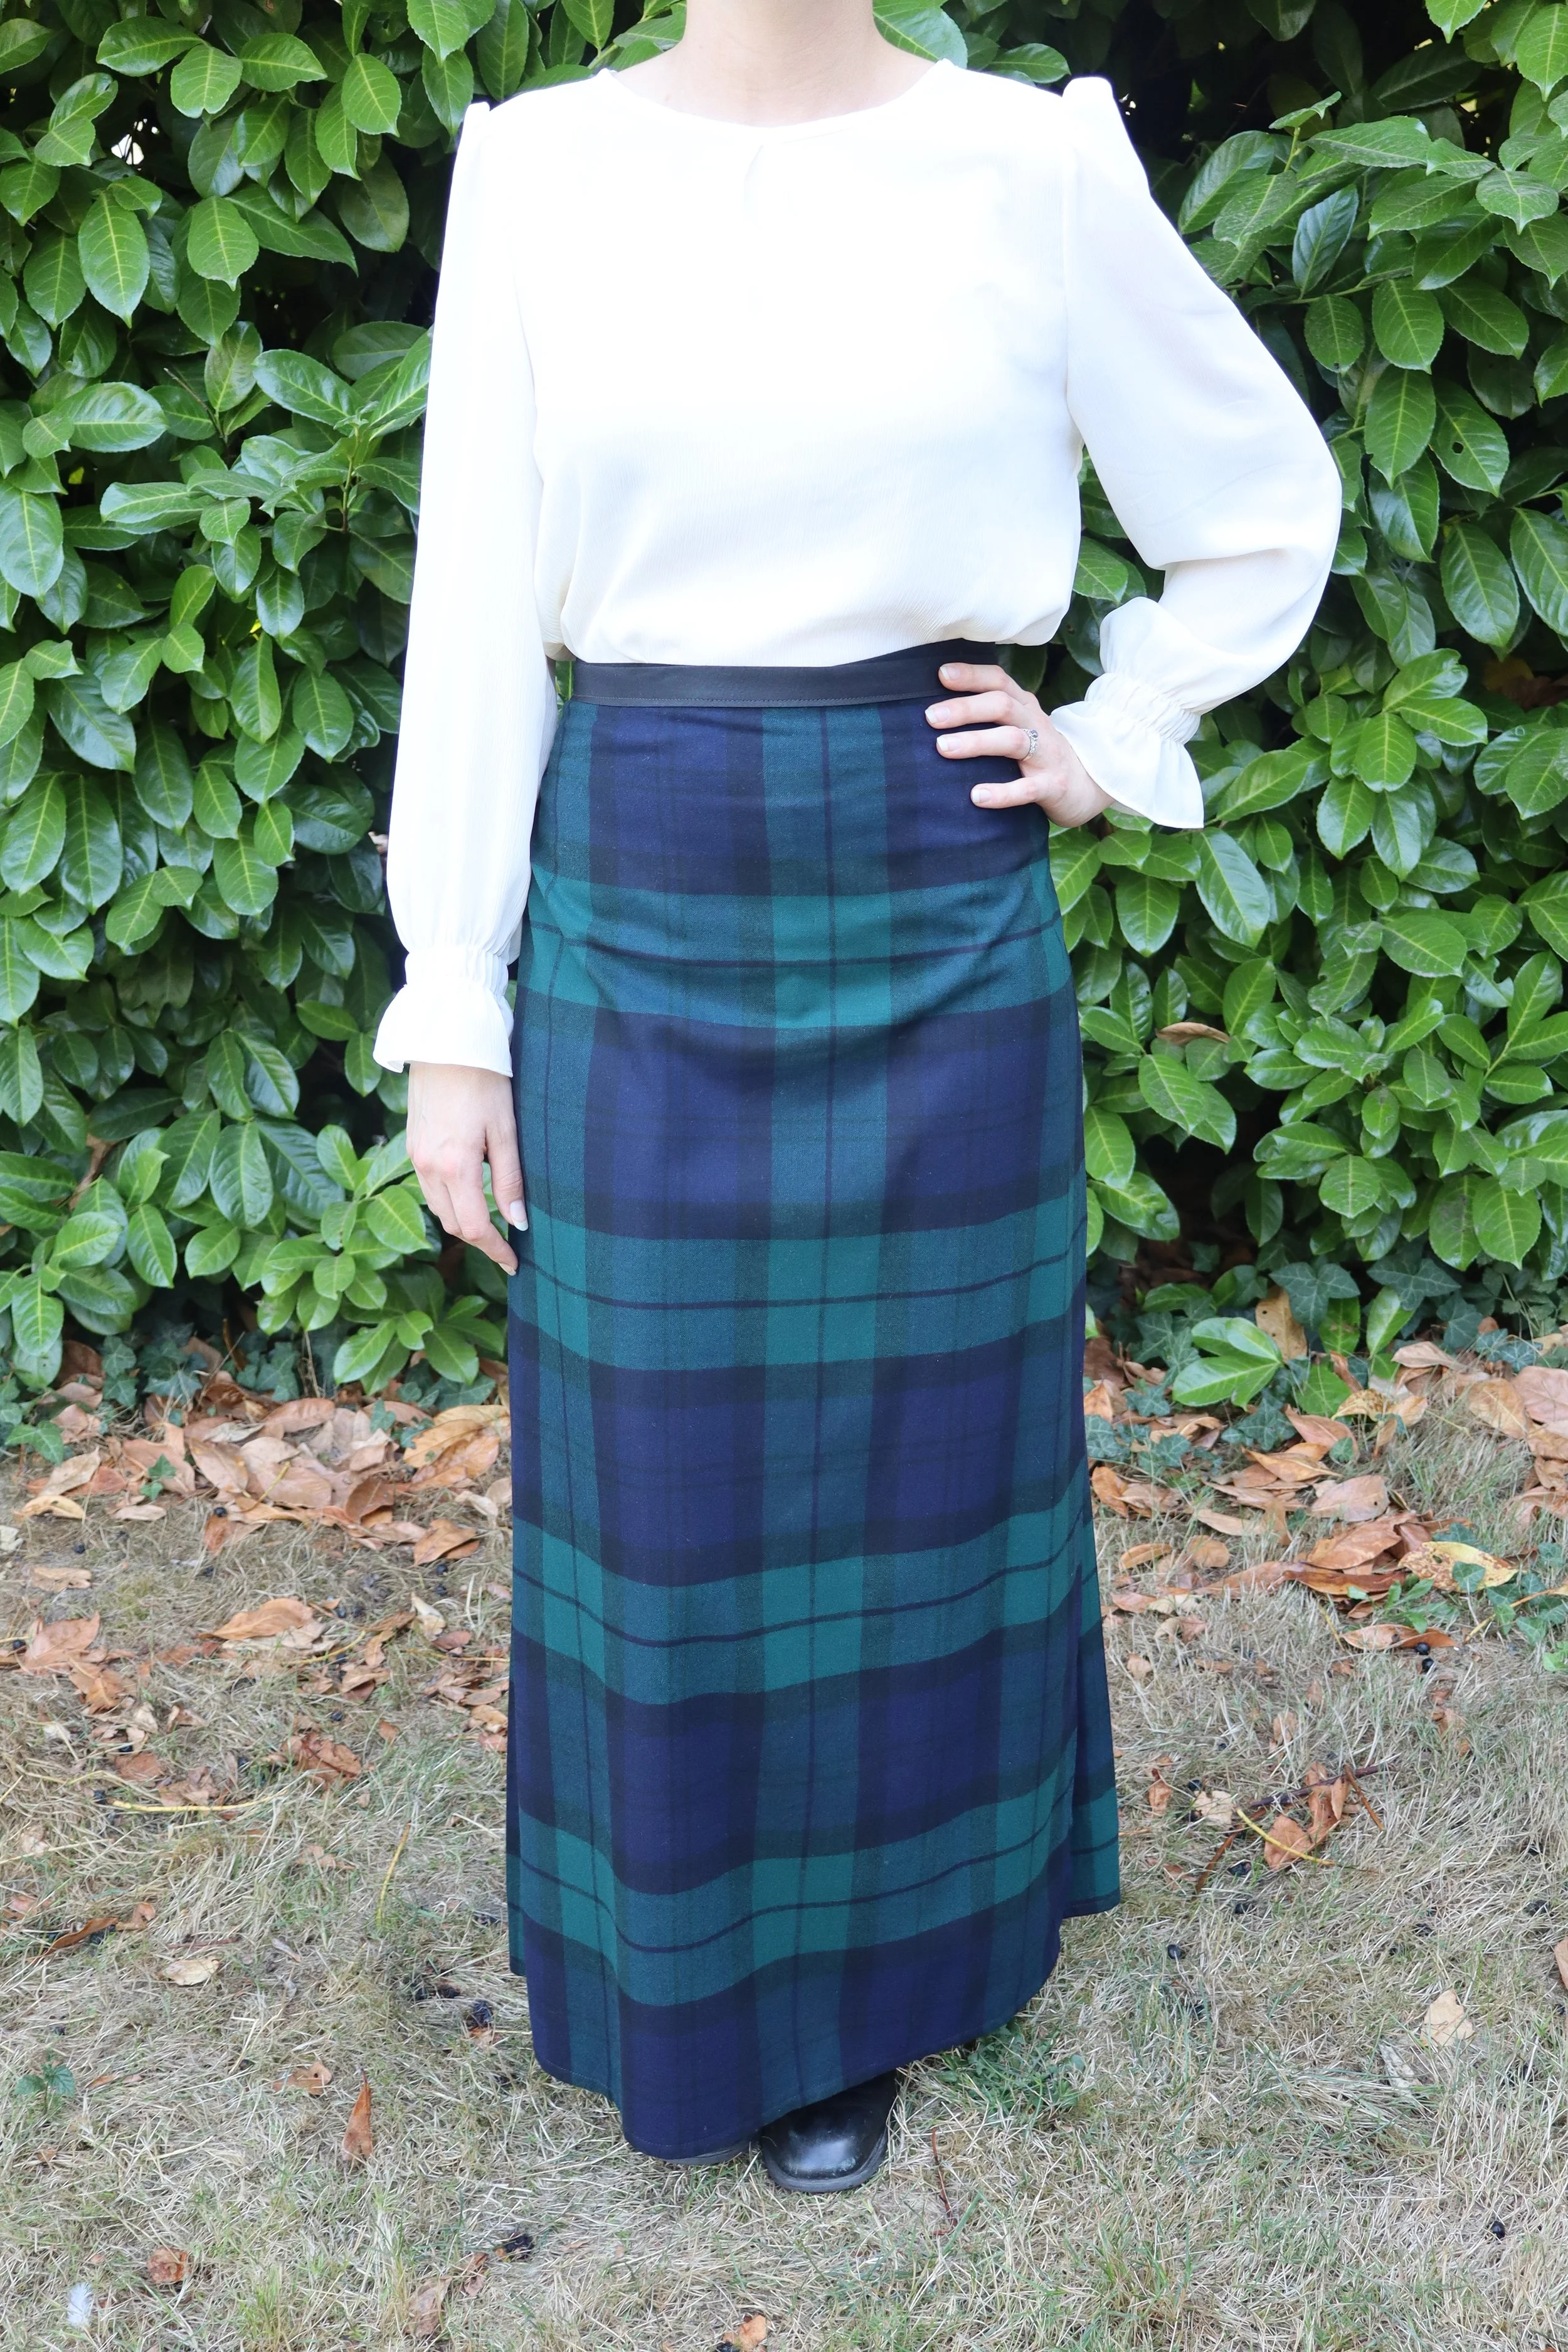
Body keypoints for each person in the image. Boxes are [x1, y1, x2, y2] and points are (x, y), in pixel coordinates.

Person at [373, 0, 1340, 2193]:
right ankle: (680, 1966)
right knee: (666, 1478)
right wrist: (454, 1001)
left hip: (930, 876)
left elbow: (1257, 503)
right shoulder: (538, 168)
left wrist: (1122, 727)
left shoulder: (1033, 162)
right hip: (643, 862)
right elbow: (473, 605)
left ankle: (890, 1977)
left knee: (923, 1465)